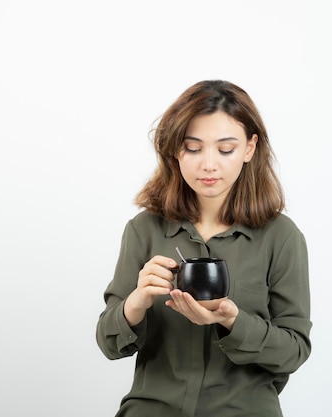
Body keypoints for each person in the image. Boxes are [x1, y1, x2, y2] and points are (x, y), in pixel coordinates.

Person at [96, 80, 312, 416]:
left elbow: (294, 351)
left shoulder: (281, 237)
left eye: (225, 149)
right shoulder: (144, 230)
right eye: (193, 148)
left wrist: (234, 321)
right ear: (175, 151)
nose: (208, 164)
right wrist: (135, 303)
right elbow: (108, 343)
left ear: (249, 149)